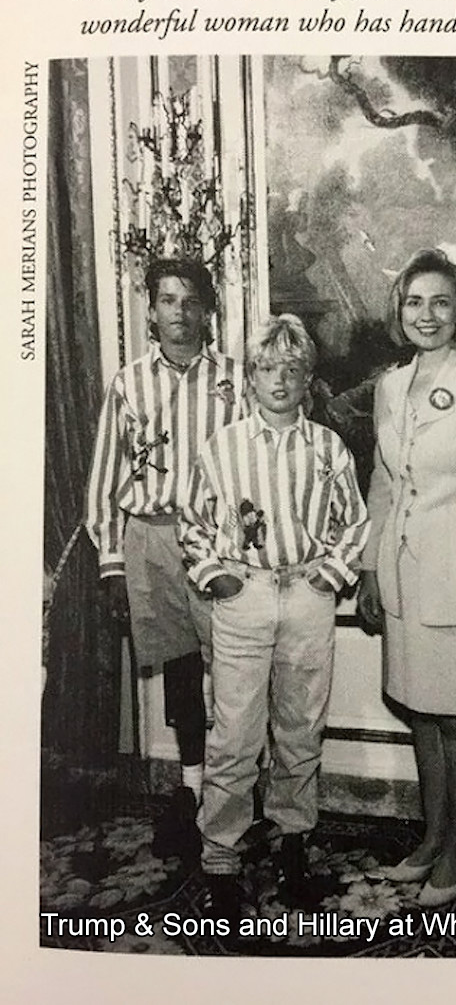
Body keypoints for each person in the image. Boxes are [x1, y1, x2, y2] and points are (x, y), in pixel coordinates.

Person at [179, 314, 369, 921]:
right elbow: (193, 523)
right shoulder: (224, 447)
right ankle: (221, 854)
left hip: (307, 596)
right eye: (267, 368)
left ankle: (292, 839)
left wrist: (329, 575)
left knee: (300, 727)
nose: (280, 380)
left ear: (308, 378)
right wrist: (218, 575)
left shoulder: (328, 448)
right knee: (234, 732)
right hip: (245, 596)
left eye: (292, 368)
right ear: (251, 378)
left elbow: (354, 523)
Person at [358, 249, 456, 907]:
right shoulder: (390, 386)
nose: (426, 314)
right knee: (422, 713)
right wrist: (370, 567)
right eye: (414, 302)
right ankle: (432, 837)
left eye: (440, 303)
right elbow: (383, 483)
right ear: (400, 312)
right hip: (402, 577)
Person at [86, 257, 247, 860]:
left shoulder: (235, 380)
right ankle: (191, 790)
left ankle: (236, 792)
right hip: (151, 541)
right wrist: (113, 565)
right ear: (151, 311)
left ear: (208, 311)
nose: (180, 312)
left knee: (233, 669)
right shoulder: (129, 383)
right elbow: (106, 478)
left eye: (191, 301)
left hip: (217, 541)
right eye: (168, 301)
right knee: (181, 671)